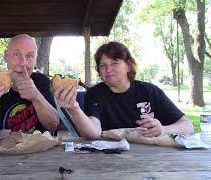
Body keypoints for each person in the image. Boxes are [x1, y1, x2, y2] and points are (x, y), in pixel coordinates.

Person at [55, 41, 194, 139]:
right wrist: (74, 108)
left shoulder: (150, 91)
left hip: (151, 160)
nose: (108, 69)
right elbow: (93, 133)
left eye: (114, 63)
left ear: (128, 65)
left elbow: (188, 126)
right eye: (102, 65)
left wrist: (163, 129)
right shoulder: (95, 93)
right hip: (109, 161)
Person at [0, 34, 59, 137]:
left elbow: (53, 125)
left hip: (37, 151)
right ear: (6, 56)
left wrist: (36, 97)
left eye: (29, 56)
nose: (23, 63)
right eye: (16, 54)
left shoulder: (41, 81)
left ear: (35, 60)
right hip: (2, 152)